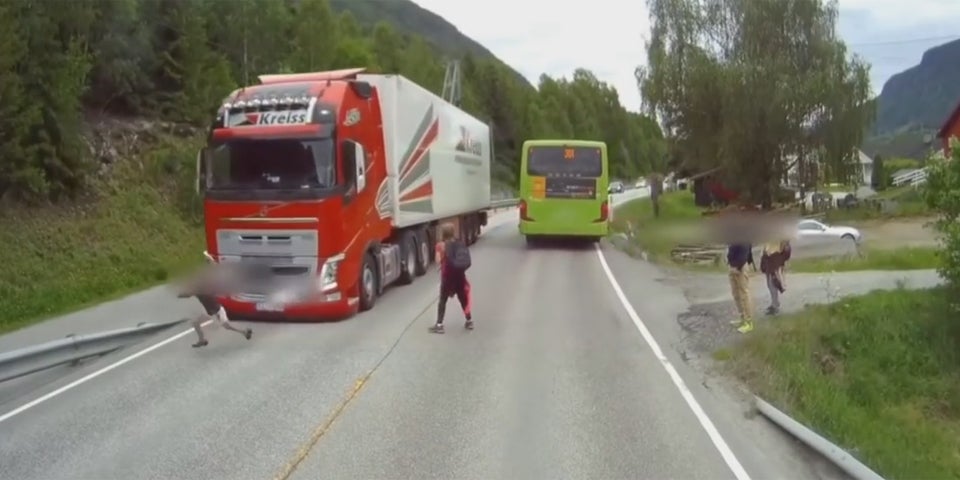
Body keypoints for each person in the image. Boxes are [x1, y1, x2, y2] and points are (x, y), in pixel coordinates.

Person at [176, 259, 253, 348]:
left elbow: (188, 294)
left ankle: (202, 340)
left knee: (223, 325)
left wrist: (180, 295)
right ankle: (244, 332)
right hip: (214, 310)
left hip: (214, 312)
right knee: (223, 325)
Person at [429, 223, 473, 334]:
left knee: (443, 300)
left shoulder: (440, 245)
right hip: (459, 275)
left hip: (447, 276)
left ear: (443, 233)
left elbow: (438, 261)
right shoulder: (458, 243)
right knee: (463, 298)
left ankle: (439, 325)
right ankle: (469, 321)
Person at [727, 241, 755, 333]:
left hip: (740, 267)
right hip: (732, 266)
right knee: (736, 294)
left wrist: (738, 266)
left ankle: (749, 322)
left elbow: (744, 250)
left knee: (744, 294)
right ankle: (742, 318)